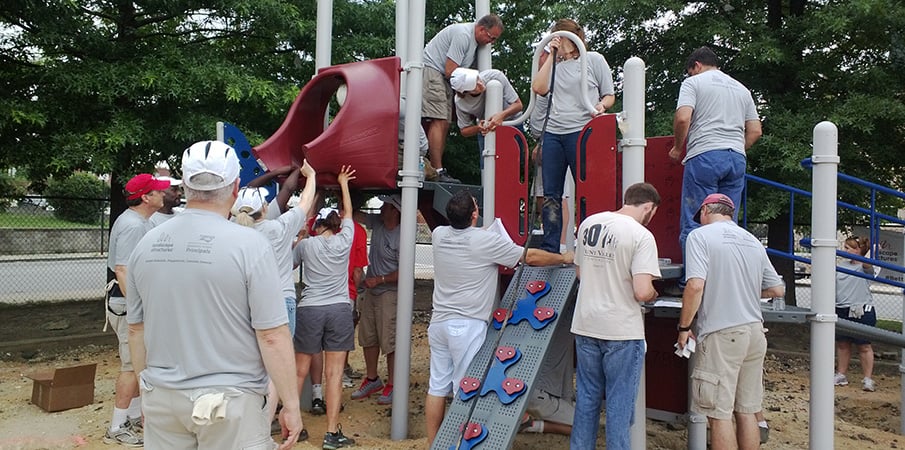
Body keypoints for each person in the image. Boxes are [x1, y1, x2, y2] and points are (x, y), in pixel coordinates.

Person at [126, 140, 303, 449]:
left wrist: (147, 392)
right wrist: (289, 403)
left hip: (163, 398)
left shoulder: (146, 244)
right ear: (235, 187)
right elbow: (272, 335)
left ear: (185, 185)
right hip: (230, 404)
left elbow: (136, 328)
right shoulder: (250, 246)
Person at [424, 190, 574, 446]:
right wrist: (564, 257)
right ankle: (465, 442)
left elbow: (467, 234)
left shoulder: (439, 235)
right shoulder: (483, 242)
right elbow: (530, 257)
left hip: (439, 322)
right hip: (466, 325)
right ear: (474, 215)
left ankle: (433, 443)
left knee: (437, 387)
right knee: (467, 389)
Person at [676, 193, 784, 450]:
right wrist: (741, 289)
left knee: (718, 413)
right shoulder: (752, 240)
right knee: (747, 409)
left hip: (722, 334)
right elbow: (777, 289)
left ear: (705, 211)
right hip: (755, 333)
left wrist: (684, 327)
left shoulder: (699, 236)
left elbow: (694, 286)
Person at [569, 182, 661, 450]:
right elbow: (642, 291)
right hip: (621, 329)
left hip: (586, 324)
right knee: (619, 407)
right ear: (648, 207)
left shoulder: (589, 223)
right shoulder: (641, 236)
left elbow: (580, 273)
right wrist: (654, 293)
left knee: (586, 400)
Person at [668, 46, 762, 256]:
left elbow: (683, 118)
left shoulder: (693, 82)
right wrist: (737, 147)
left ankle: (692, 280)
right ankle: (725, 273)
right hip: (736, 159)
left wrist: (677, 148)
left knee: (695, 221)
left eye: (691, 71)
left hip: (704, 155)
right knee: (727, 222)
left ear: (697, 66)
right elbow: (755, 131)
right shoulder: (742, 89)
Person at [531, 18, 615, 254]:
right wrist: (551, 55)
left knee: (586, 188)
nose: (556, 40)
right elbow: (538, 88)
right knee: (551, 193)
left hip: (581, 130)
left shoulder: (593, 60)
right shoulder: (553, 64)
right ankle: (551, 247)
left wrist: (600, 107)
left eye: (559, 36)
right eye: (553, 37)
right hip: (554, 132)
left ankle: (590, 241)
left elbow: (609, 94)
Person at [292, 166, 357, 449]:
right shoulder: (345, 239)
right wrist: (343, 183)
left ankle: (292, 425)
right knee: (335, 373)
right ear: (335, 224)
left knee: (299, 370)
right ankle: (331, 433)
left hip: (310, 308)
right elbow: (350, 214)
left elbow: (291, 262)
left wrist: (304, 231)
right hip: (339, 308)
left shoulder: (306, 246)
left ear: (317, 225)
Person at [103, 172, 170, 447]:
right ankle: (116, 426)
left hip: (126, 303)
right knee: (131, 365)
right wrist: (139, 309)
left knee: (138, 363)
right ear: (146, 197)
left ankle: (129, 416)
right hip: (126, 303)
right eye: (158, 191)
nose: (163, 194)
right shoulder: (133, 225)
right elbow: (122, 270)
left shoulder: (139, 220)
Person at [422, 14, 504, 183]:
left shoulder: (472, 41)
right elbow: (450, 70)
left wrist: (468, 88)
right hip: (433, 73)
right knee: (439, 120)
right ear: (481, 29)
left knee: (444, 122)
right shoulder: (463, 35)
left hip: (441, 78)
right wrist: (471, 88)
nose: (491, 42)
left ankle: (438, 169)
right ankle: (437, 170)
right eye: (491, 37)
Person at [350, 194, 401, 405]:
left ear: (395, 211)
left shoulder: (401, 235)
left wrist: (380, 279)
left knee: (390, 340)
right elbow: (354, 214)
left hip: (390, 292)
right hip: (371, 289)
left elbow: (405, 271)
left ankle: (393, 384)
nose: (381, 207)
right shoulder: (378, 223)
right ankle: (372, 379)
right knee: (368, 335)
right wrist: (353, 191)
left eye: (386, 205)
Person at [450, 67, 524, 168]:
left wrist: (501, 115)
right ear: (465, 93)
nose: (480, 84)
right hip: (487, 129)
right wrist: (478, 128)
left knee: (512, 166)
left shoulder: (495, 76)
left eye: (477, 79)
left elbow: (518, 105)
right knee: (487, 166)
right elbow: (464, 130)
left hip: (512, 123)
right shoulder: (460, 102)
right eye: (474, 86)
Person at [834, 235, 878, 392]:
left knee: (864, 345)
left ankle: (867, 379)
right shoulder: (841, 265)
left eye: (848, 248)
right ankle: (841, 374)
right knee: (843, 344)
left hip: (861, 309)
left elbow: (868, 266)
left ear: (858, 250)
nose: (844, 251)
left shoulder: (865, 266)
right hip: (841, 307)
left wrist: (868, 252)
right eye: (844, 247)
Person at [521, 312, 575, 436]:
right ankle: (528, 425)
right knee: (584, 425)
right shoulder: (566, 320)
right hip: (539, 394)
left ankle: (529, 421)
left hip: (522, 387)